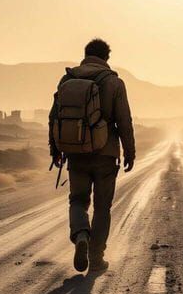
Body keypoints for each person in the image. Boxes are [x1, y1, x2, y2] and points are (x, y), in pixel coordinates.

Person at [49, 37, 135, 273]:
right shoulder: (114, 82)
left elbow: (54, 117)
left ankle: (81, 237)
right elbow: (124, 121)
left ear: (86, 54)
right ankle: (96, 257)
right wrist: (130, 151)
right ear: (106, 58)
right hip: (105, 154)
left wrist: (55, 149)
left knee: (78, 200)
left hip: (75, 153)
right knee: (102, 207)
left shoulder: (68, 79)